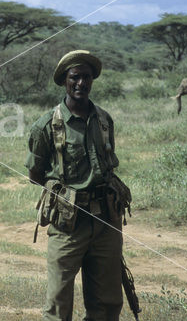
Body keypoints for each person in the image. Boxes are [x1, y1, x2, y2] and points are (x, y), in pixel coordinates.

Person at [25, 50, 123, 321]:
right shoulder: (46, 125)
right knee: (58, 304)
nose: (81, 83)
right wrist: (61, 191)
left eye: (87, 77)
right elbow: (35, 174)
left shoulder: (104, 120)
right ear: (64, 81)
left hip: (106, 221)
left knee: (108, 302)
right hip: (68, 223)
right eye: (75, 77)